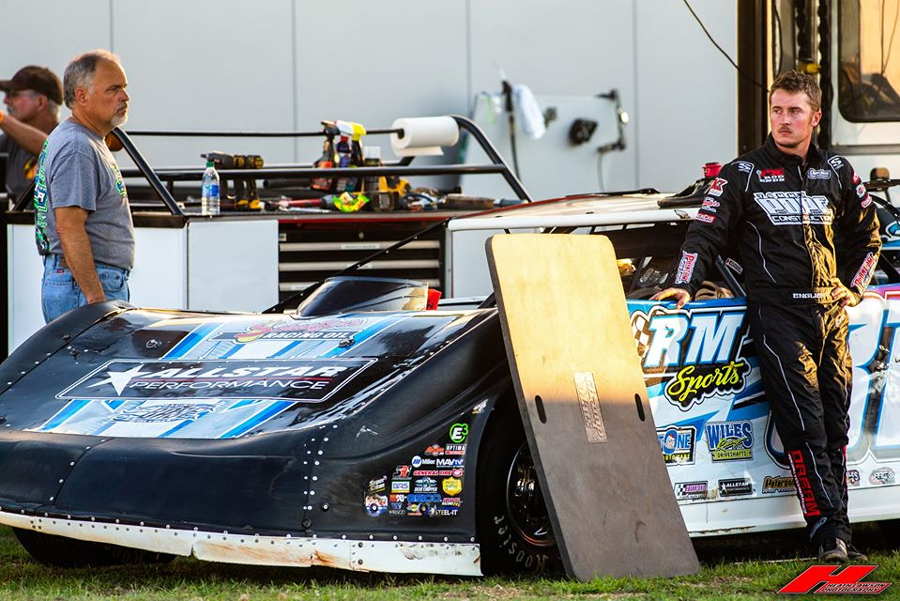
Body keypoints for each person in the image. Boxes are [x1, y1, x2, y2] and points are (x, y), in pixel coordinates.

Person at [652, 70, 881, 563]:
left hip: (831, 314)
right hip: (777, 314)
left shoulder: (838, 171)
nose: (783, 119)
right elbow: (704, 235)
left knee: (836, 427)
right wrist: (685, 282)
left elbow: (869, 238)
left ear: (815, 117)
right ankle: (829, 536)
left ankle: (840, 533)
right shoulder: (743, 173)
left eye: (794, 111)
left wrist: (854, 288)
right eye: (777, 110)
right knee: (805, 427)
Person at [33, 49, 134, 323]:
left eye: (124, 87)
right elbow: (69, 226)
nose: (125, 96)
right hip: (85, 287)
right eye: (113, 89)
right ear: (82, 96)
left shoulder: (81, 139)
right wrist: (96, 299)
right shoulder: (78, 146)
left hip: (81, 283)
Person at [0, 66, 63, 201]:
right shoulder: (7, 142)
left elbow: (51, 150)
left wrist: (1, 119)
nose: (6, 101)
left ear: (40, 102)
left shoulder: (68, 140)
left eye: (14, 94)